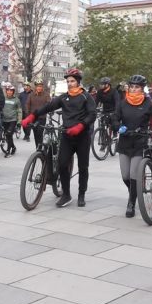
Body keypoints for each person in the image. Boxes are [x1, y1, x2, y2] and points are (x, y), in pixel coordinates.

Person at [21, 68, 96, 208]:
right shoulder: (63, 98)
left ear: (78, 82)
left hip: (82, 136)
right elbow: (48, 107)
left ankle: (81, 194)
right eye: (68, 81)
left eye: (72, 81)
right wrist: (32, 116)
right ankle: (66, 195)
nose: (70, 83)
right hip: (67, 135)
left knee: (83, 166)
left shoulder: (86, 97)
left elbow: (92, 114)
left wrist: (81, 126)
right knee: (62, 165)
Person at [111, 74, 152, 218]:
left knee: (135, 174)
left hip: (140, 141)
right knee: (125, 176)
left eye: (137, 87)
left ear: (142, 89)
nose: (134, 89)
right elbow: (115, 118)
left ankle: (131, 203)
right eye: (132, 87)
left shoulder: (149, 103)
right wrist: (118, 127)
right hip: (125, 141)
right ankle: (134, 192)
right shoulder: (123, 103)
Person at [26, 80, 51, 149]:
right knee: (35, 134)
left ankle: (40, 148)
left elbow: (49, 103)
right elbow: (27, 105)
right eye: (38, 86)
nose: (39, 88)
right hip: (33, 117)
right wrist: (28, 115)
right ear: (35, 87)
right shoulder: (31, 95)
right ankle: (38, 147)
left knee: (40, 133)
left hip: (42, 117)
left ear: (42, 87)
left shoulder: (46, 95)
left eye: (40, 86)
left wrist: (48, 108)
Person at [1, 84, 21, 157]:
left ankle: (8, 151)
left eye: (11, 91)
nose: (9, 92)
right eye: (8, 91)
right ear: (6, 91)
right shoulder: (3, 99)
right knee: (7, 136)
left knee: (9, 134)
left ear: (13, 92)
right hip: (5, 120)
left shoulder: (16, 100)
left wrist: (19, 122)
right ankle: (13, 147)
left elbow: (19, 111)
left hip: (13, 120)